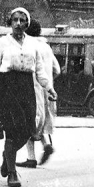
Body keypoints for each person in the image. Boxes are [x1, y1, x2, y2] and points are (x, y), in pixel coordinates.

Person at [0, 8, 56, 187]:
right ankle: (12, 173)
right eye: (15, 20)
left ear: (27, 23)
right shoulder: (2, 42)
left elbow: (39, 70)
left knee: (28, 131)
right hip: (7, 87)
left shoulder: (33, 44)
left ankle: (6, 156)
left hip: (26, 87)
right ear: (10, 22)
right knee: (12, 129)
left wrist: (49, 88)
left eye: (22, 20)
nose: (18, 23)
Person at [16, 19, 60, 168]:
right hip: (47, 92)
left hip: (32, 91)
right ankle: (46, 145)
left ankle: (31, 158)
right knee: (39, 123)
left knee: (28, 121)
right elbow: (57, 70)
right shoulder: (47, 47)